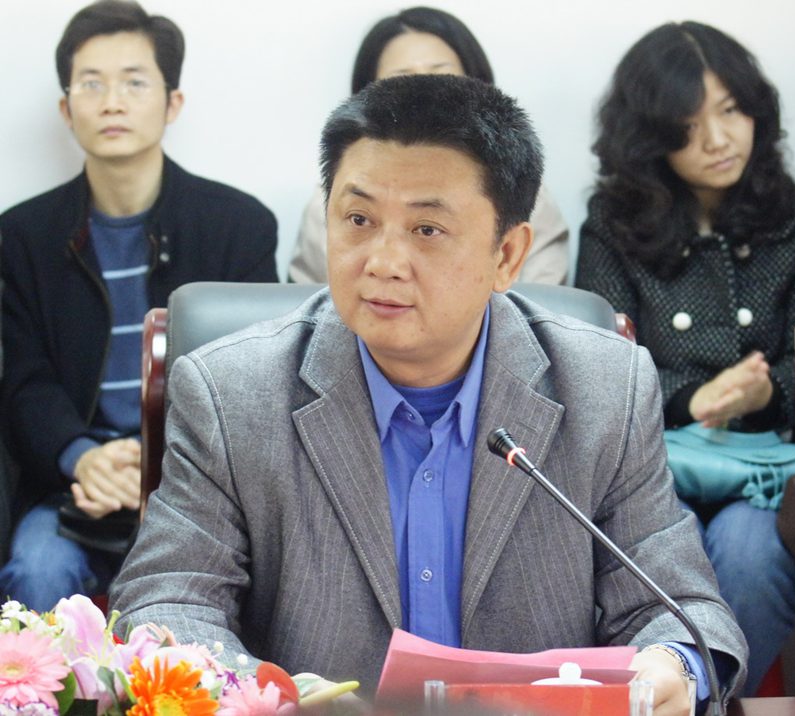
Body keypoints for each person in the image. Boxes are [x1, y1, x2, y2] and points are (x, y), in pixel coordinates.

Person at [112, 74, 747, 714]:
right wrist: (270, 704)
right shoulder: (231, 394)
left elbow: (682, 609)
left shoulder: (605, 388)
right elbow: (167, 603)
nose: (383, 262)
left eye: (427, 229)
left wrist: (674, 665)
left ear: (507, 255)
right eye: (358, 219)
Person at [0, 0, 279, 612]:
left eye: (133, 82)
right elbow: (23, 378)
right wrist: (83, 458)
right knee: (37, 571)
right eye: (91, 84)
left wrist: (163, 467)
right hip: (77, 480)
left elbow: (258, 378)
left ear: (172, 103)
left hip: (199, 482)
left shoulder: (238, 226)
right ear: (66, 109)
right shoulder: (21, 237)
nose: (112, 102)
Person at [574, 21, 795, 696]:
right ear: (649, 136)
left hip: (764, 470)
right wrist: (686, 399)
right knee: (659, 557)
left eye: (731, 111)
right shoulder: (612, 222)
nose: (719, 139)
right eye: (689, 125)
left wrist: (769, 390)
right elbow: (597, 358)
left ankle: (711, 700)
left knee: (751, 554)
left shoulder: (791, 214)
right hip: (655, 465)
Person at [287, 6, 568, 285]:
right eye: (402, 82)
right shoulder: (336, 197)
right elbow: (307, 302)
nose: (425, 99)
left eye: (443, 79)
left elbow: (543, 302)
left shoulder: (523, 195)